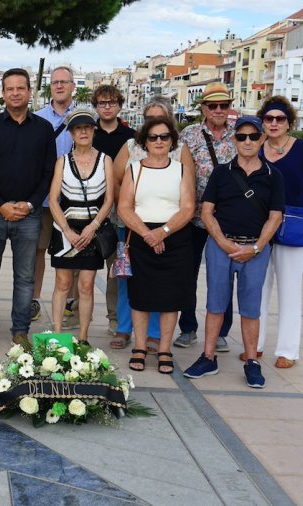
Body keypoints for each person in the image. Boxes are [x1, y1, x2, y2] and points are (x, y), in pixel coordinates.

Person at [183, 116, 284, 388]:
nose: (247, 141)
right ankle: (208, 356)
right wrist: (224, 243)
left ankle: (252, 362)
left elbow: (275, 217)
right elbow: (206, 211)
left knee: (251, 309)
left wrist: (256, 247)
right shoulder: (222, 172)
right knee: (215, 304)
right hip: (221, 247)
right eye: (241, 137)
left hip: (256, 249)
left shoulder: (274, 176)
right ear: (234, 140)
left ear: (263, 138)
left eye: (253, 136)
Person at [0, 68, 56, 353]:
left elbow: (48, 172)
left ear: (30, 91)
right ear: (3, 93)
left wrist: (30, 204)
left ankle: (20, 332)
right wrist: (0, 204)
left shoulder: (43, 129)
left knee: (25, 277)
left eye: (21, 88)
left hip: (29, 214)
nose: (16, 93)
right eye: (10, 88)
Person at [117, 117, 195, 374]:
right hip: (141, 236)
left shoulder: (181, 169)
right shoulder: (134, 169)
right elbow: (124, 207)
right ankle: (139, 347)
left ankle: (164, 349)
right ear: (144, 142)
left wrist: (163, 232)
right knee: (140, 296)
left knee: (170, 298)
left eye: (164, 137)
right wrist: (147, 234)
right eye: (153, 137)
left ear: (172, 140)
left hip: (175, 236)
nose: (159, 141)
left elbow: (188, 207)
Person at [110, 97, 187, 352]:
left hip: (169, 228)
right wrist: (130, 207)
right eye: (149, 119)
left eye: (160, 118)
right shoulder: (131, 145)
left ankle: (154, 335)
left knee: (161, 286)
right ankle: (124, 328)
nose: (157, 135)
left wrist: (163, 230)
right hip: (134, 225)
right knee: (128, 279)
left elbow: (186, 193)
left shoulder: (179, 148)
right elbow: (118, 178)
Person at [255, 96, 303, 369]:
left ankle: (287, 350)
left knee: (289, 288)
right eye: (269, 118)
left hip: (291, 224)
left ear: (289, 122)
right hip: (259, 225)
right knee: (257, 288)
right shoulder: (257, 147)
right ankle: (256, 345)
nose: (274, 123)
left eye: (280, 118)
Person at [175, 82, 238, 352]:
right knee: (186, 274)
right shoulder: (188, 134)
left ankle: (221, 331)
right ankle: (188, 327)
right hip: (192, 217)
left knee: (223, 276)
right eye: (213, 105)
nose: (219, 110)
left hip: (225, 219)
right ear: (203, 108)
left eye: (224, 105)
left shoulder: (239, 135)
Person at [48, 108, 114, 344]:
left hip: (92, 230)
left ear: (94, 131)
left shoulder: (106, 160)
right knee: (62, 283)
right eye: (78, 128)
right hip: (66, 228)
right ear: (72, 133)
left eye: (87, 127)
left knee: (86, 285)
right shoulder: (62, 161)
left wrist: (93, 227)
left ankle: (83, 338)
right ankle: (57, 336)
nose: (83, 131)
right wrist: (66, 229)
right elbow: (54, 199)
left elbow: (109, 200)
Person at [32, 66, 77, 325]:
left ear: (73, 86)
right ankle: (34, 301)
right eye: (55, 82)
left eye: (64, 82)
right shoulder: (37, 117)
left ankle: (69, 304)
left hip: (72, 201)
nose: (59, 86)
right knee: (37, 251)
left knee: (71, 252)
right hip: (43, 198)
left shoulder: (84, 117)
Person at [91, 84, 135, 341]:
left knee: (115, 268)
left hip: (119, 212)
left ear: (119, 105)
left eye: (111, 102)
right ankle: (72, 310)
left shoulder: (131, 136)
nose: (107, 107)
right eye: (102, 103)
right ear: (96, 106)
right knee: (80, 267)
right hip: (87, 207)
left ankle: (114, 317)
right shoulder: (87, 131)